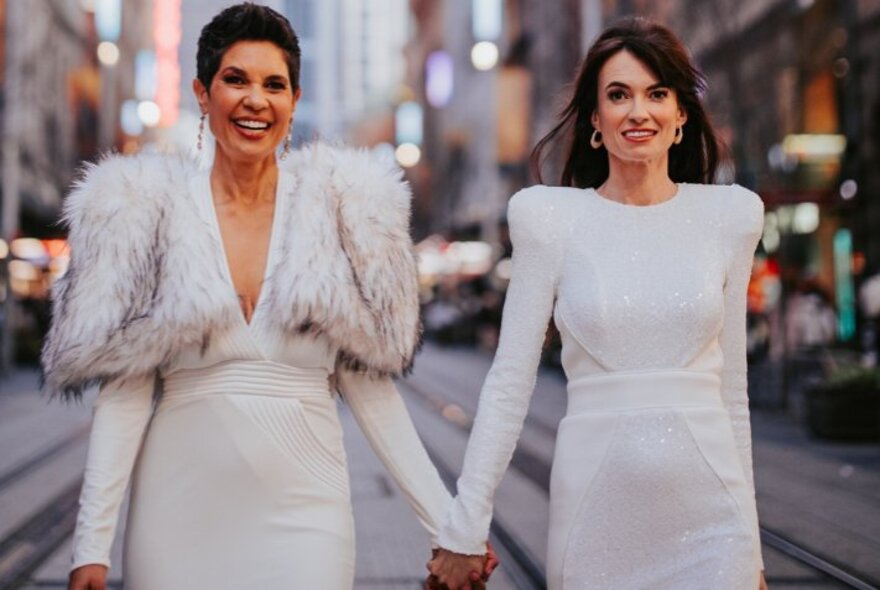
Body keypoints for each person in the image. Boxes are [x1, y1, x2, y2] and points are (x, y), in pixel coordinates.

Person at [42, 4, 495, 589]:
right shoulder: (151, 216)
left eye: (273, 84)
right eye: (236, 80)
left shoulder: (337, 218)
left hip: (309, 520)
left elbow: (372, 394)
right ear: (202, 94)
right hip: (177, 518)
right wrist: (90, 549)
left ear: (294, 100)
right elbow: (124, 397)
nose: (256, 99)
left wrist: (449, 529)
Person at [428, 17, 768, 590]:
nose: (640, 111)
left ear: (681, 112)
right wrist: (465, 525)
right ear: (594, 118)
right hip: (596, 514)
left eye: (657, 93)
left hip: (715, 524)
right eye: (619, 95)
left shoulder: (731, 217)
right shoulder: (549, 219)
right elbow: (510, 380)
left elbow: (732, 392)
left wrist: (752, 551)